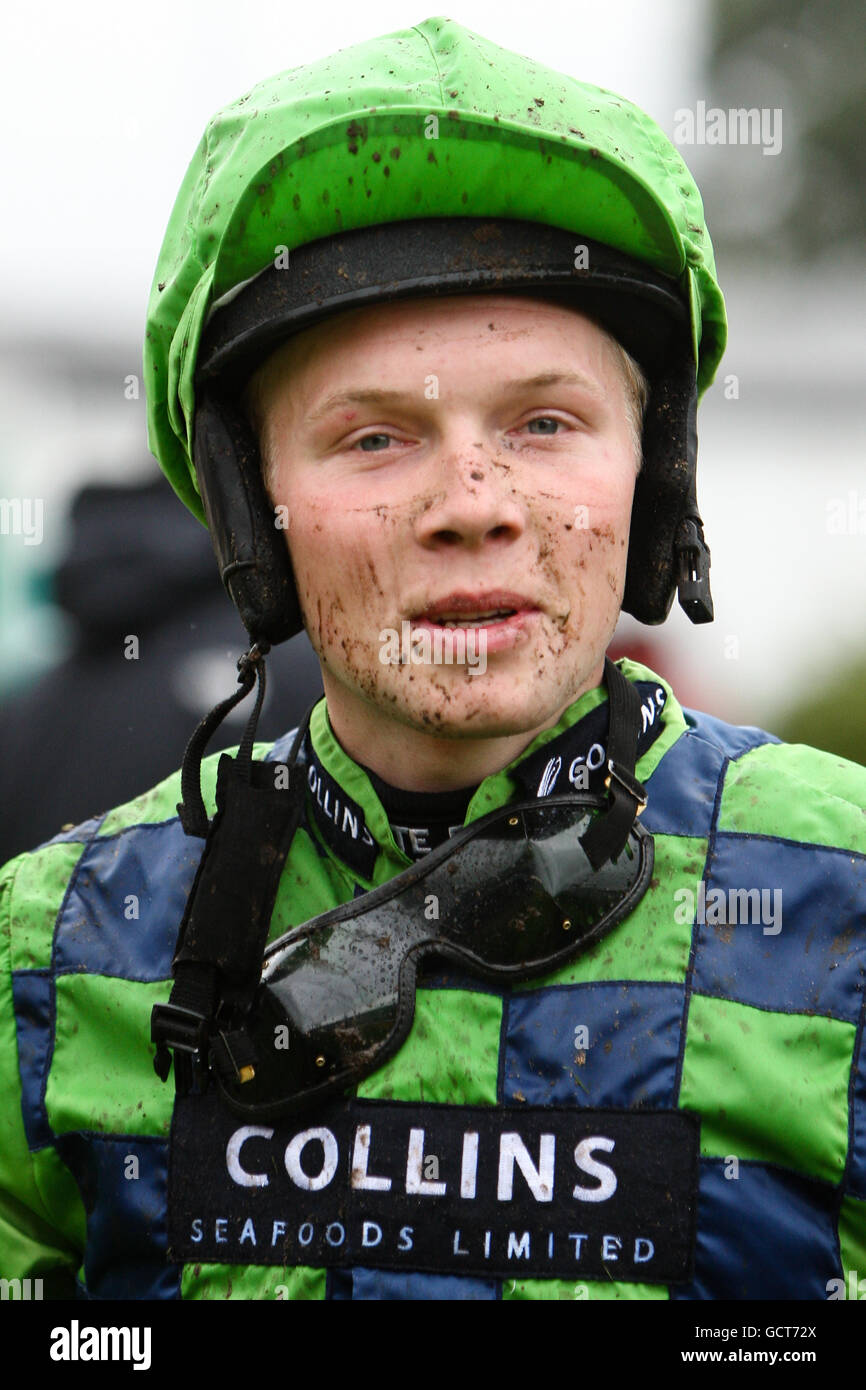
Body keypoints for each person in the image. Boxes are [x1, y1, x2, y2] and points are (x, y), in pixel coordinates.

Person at [1, 15, 864, 1304]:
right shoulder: (48, 954)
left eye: (546, 421)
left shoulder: (845, 897)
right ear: (254, 515)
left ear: (655, 472)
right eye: (373, 440)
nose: (475, 501)